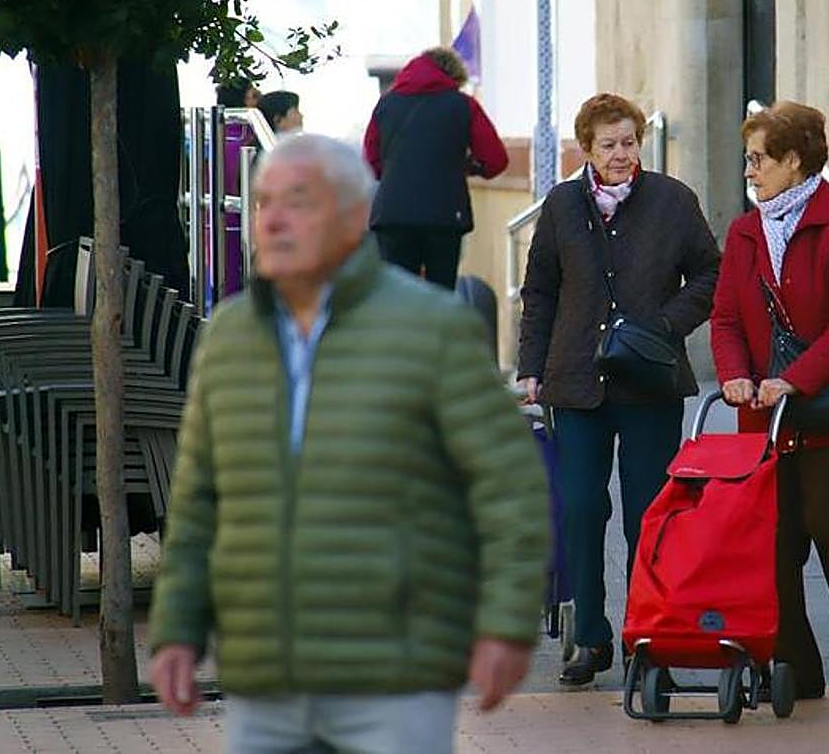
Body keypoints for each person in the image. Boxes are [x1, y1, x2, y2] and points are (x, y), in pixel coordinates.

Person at [148, 133, 549, 753]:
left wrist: (505, 623)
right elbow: (199, 499)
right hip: (265, 675)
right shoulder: (229, 337)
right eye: (262, 203)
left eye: (298, 202)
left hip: (395, 673)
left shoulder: (430, 328)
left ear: (355, 217)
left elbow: (509, 487)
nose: (273, 221)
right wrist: (176, 629)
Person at [517, 92, 720, 686]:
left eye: (629, 142)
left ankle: (646, 631)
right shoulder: (560, 205)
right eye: (608, 144)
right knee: (580, 506)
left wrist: (662, 326)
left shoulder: (672, 201)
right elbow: (541, 291)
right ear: (587, 148)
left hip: (650, 383)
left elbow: (709, 273)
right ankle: (589, 637)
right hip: (575, 381)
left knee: (649, 512)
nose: (621, 154)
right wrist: (531, 366)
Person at [709, 101, 829, 701]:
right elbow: (725, 320)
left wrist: (798, 380)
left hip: (827, 418)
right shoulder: (745, 231)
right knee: (771, 543)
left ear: (794, 161)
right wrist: (736, 375)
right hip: (762, 420)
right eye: (748, 160)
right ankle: (795, 668)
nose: (750, 171)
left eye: (759, 159)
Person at [363, 46, 508, 290]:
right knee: (441, 295)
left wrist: (396, 174)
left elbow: (372, 160)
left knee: (397, 293)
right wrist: (468, 167)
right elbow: (495, 159)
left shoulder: (386, 106)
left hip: (393, 215)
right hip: (444, 215)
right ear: (453, 77)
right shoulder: (464, 105)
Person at [215, 78, 261, 297]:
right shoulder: (243, 141)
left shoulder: (215, 135)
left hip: (218, 222)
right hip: (236, 221)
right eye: (254, 97)